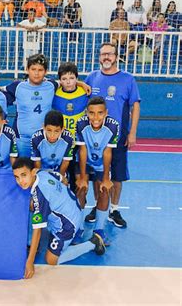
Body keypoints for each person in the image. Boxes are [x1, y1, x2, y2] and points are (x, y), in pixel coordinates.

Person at [12, 157, 105, 279]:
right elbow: (64, 180)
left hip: (67, 226)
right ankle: (78, 229)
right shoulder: (42, 172)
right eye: (17, 177)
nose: (20, 181)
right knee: (33, 206)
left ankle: (93, 243)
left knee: (51, 259)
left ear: (33, 171)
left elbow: (38, 231)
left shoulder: (39, 195)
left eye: (23, 175)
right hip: (75, 208)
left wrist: (30, 261)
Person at [84, 43, 141, 229]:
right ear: (99, 57)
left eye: (109, 54)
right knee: (96, 173)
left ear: (116, 56)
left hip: (118, 137)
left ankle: (114, 209)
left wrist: (132, 133)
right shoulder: (92, 78)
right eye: (103, 54)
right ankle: (97, 205)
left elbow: (135, 106)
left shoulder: (128, 79)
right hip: (94, 137)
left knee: (116, 175)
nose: (106, 57)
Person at [75, 97, 119, 245]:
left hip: (101, 162)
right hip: (84, 160)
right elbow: (82, 150)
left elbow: (107, 153)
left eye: (100, 113)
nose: (96, 117)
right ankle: (78, 229)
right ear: (87, 113)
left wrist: (106, 179)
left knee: (105, 190)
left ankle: (99, 230)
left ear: (106, 113)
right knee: (80, 188)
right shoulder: (81, 124)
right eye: (92, 113)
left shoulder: (113, 126)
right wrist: (82, 177)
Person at [52, 62, 87, 192]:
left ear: (77, 79)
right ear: (60, 80)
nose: (68, 82)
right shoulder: (55, 93)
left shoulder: (85, 92)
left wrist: (81, 84)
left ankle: (77, 203)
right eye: (64, 79)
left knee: (77, 176)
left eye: (72, 78)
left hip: (78, 141)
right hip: (62, 141)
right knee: (61, 174)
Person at [31, 110, 73, 175]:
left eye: (56, 131)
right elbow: (37, 162)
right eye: (49, 130)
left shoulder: (68, 138)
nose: (52, 135)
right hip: (42, 171)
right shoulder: (36, 138)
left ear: (62, 129)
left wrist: (60, 178)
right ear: (43, 127)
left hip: (60, 171)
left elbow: (66, 161)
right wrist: (42, 178)